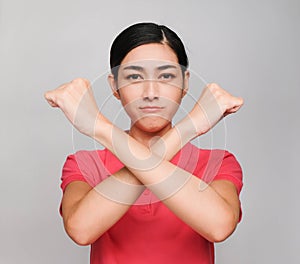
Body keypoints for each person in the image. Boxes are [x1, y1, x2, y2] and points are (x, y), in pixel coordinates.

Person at [45, 22, 244, 264]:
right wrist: (189, 126)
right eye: (134, 76)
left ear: (185, 83)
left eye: (167, 76)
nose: (151, 92)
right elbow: (81, 229)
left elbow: (219, 226)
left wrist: (98, 126)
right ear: (114, 86)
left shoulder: (217, 162)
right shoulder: (85, 164)